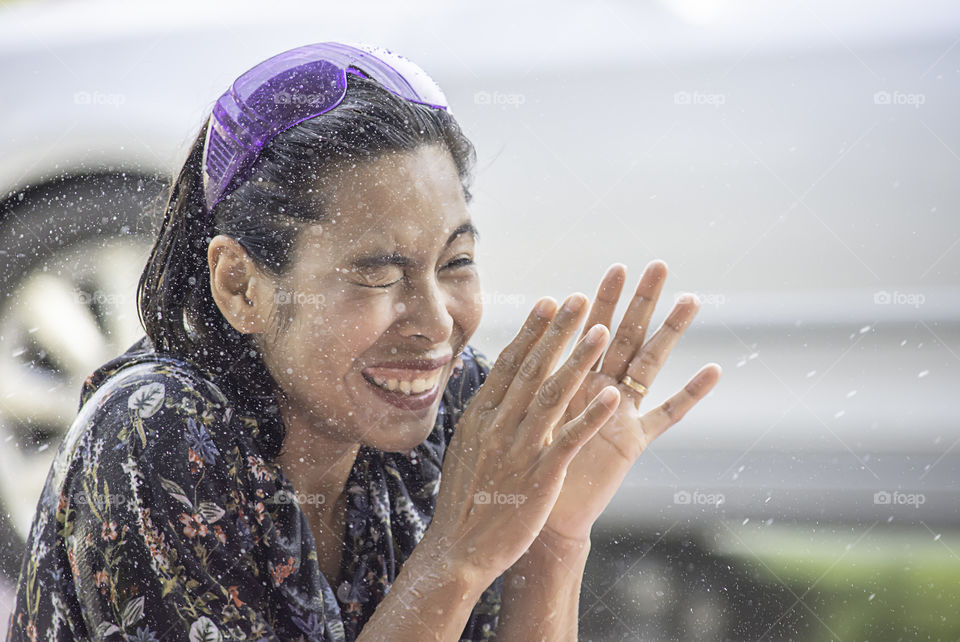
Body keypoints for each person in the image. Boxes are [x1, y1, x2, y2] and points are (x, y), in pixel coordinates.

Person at [6, 42, 721, 641]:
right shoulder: (157, 433)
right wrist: (455, 561)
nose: (437, 323)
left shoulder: (455, 411)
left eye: (456, 263)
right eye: (378, 275)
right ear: (240, 286)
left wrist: (552, 538)